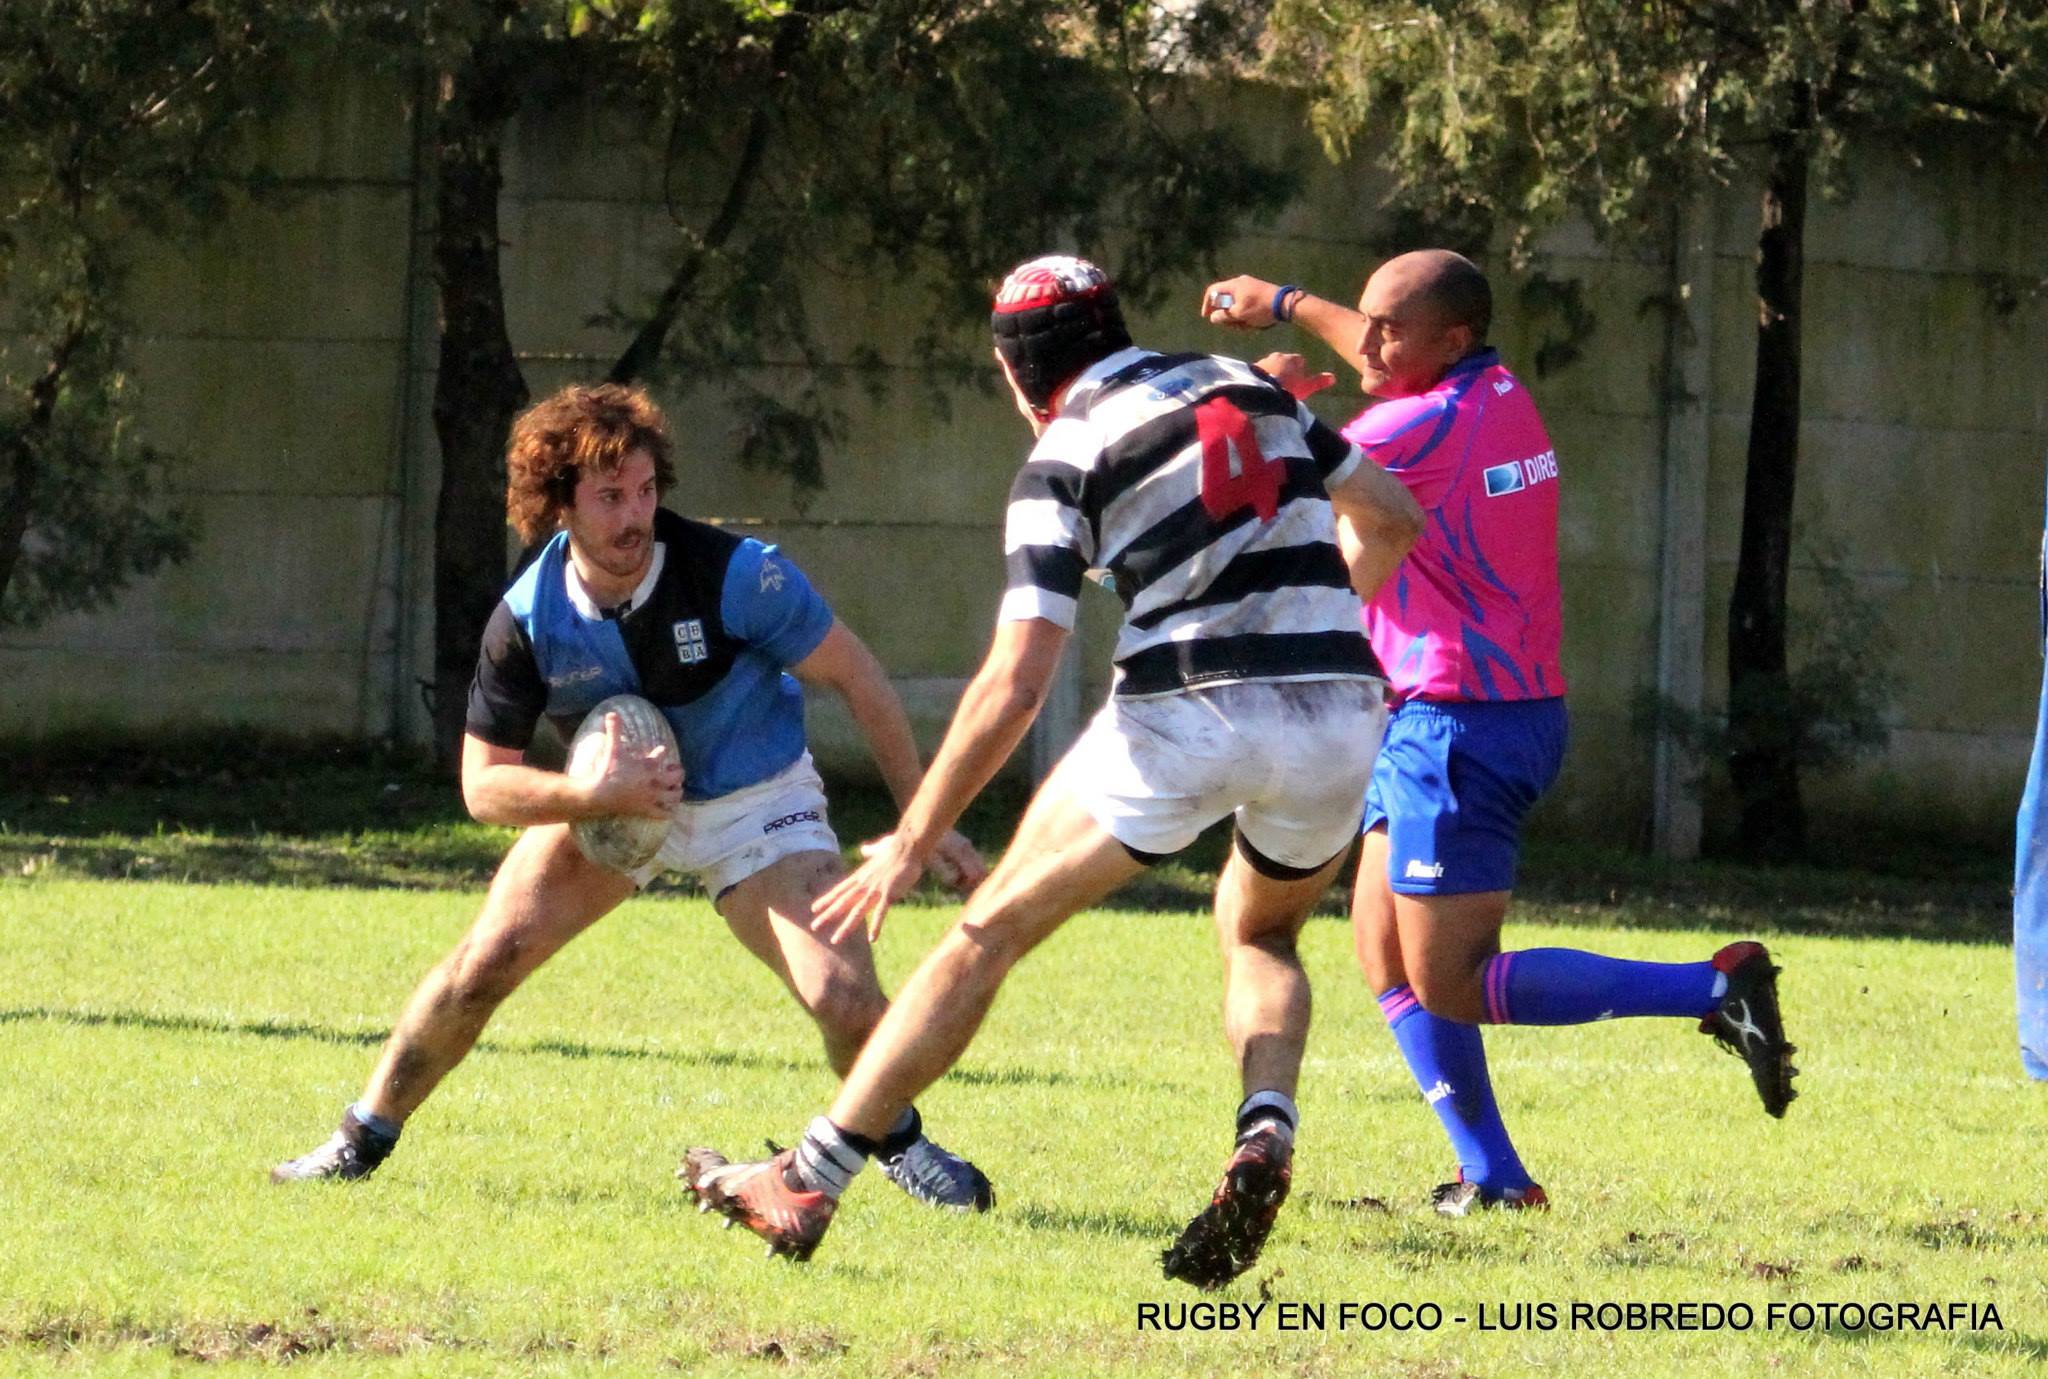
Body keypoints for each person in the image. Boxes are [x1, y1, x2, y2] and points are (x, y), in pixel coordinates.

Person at [680, 255, 1426, 1288]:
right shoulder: (1245, 383)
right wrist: (1298, 624)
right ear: (1114, 326)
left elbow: (1014, 682)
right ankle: (1264, 1128)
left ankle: (806, 1179)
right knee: (1260, 931)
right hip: (1341, 707)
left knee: (985, 933)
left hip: (1187, 709)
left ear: (1010, 372)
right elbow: (1392, 516)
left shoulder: (1062, 455)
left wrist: (911, 836)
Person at [271, 382, 994, 1212]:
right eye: (609, 496)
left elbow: (859, 676)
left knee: (845, 999)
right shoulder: (529, 618)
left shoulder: (735, 575)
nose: (634, 516)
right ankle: (360, 1138)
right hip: (611, 810)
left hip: (754, 802)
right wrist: (591, 793)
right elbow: (483, 785)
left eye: (645, 491)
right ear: (559, 506)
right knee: (483, 965)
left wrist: (923, 821)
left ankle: (897, 1138)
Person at [1199, 254, 1798, 1216]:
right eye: (1372, 319)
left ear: (1451, 339)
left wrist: (1258, 395)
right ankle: (1495, 1175)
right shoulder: (1496, 391)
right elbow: (1385, 350)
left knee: (1454, 979)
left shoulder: (1417, 422)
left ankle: (1710, 987)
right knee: (1381, 952)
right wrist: (1283, 304)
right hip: (1453, 711)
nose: (1373, 340)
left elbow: (1284, 467)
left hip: (1460, 725)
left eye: (1393, 328)